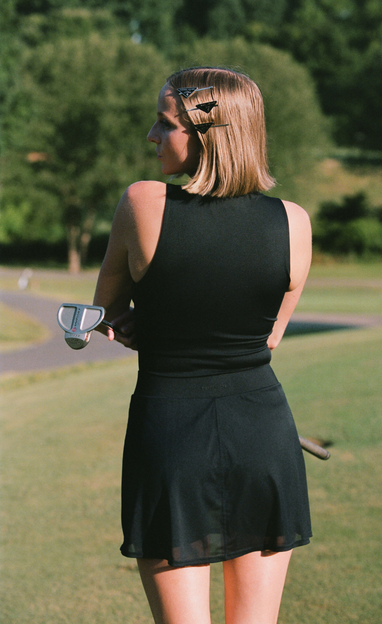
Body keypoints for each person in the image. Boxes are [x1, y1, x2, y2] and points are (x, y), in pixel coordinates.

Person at [93, 66, 313, 624]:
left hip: (170, 437)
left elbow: (108, 311)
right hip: (264, 434)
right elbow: (269, 337)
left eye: (164, 124)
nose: (151, 136)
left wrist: (136, 326)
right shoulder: (294, 221)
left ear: (205, 134)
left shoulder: (143, 202)